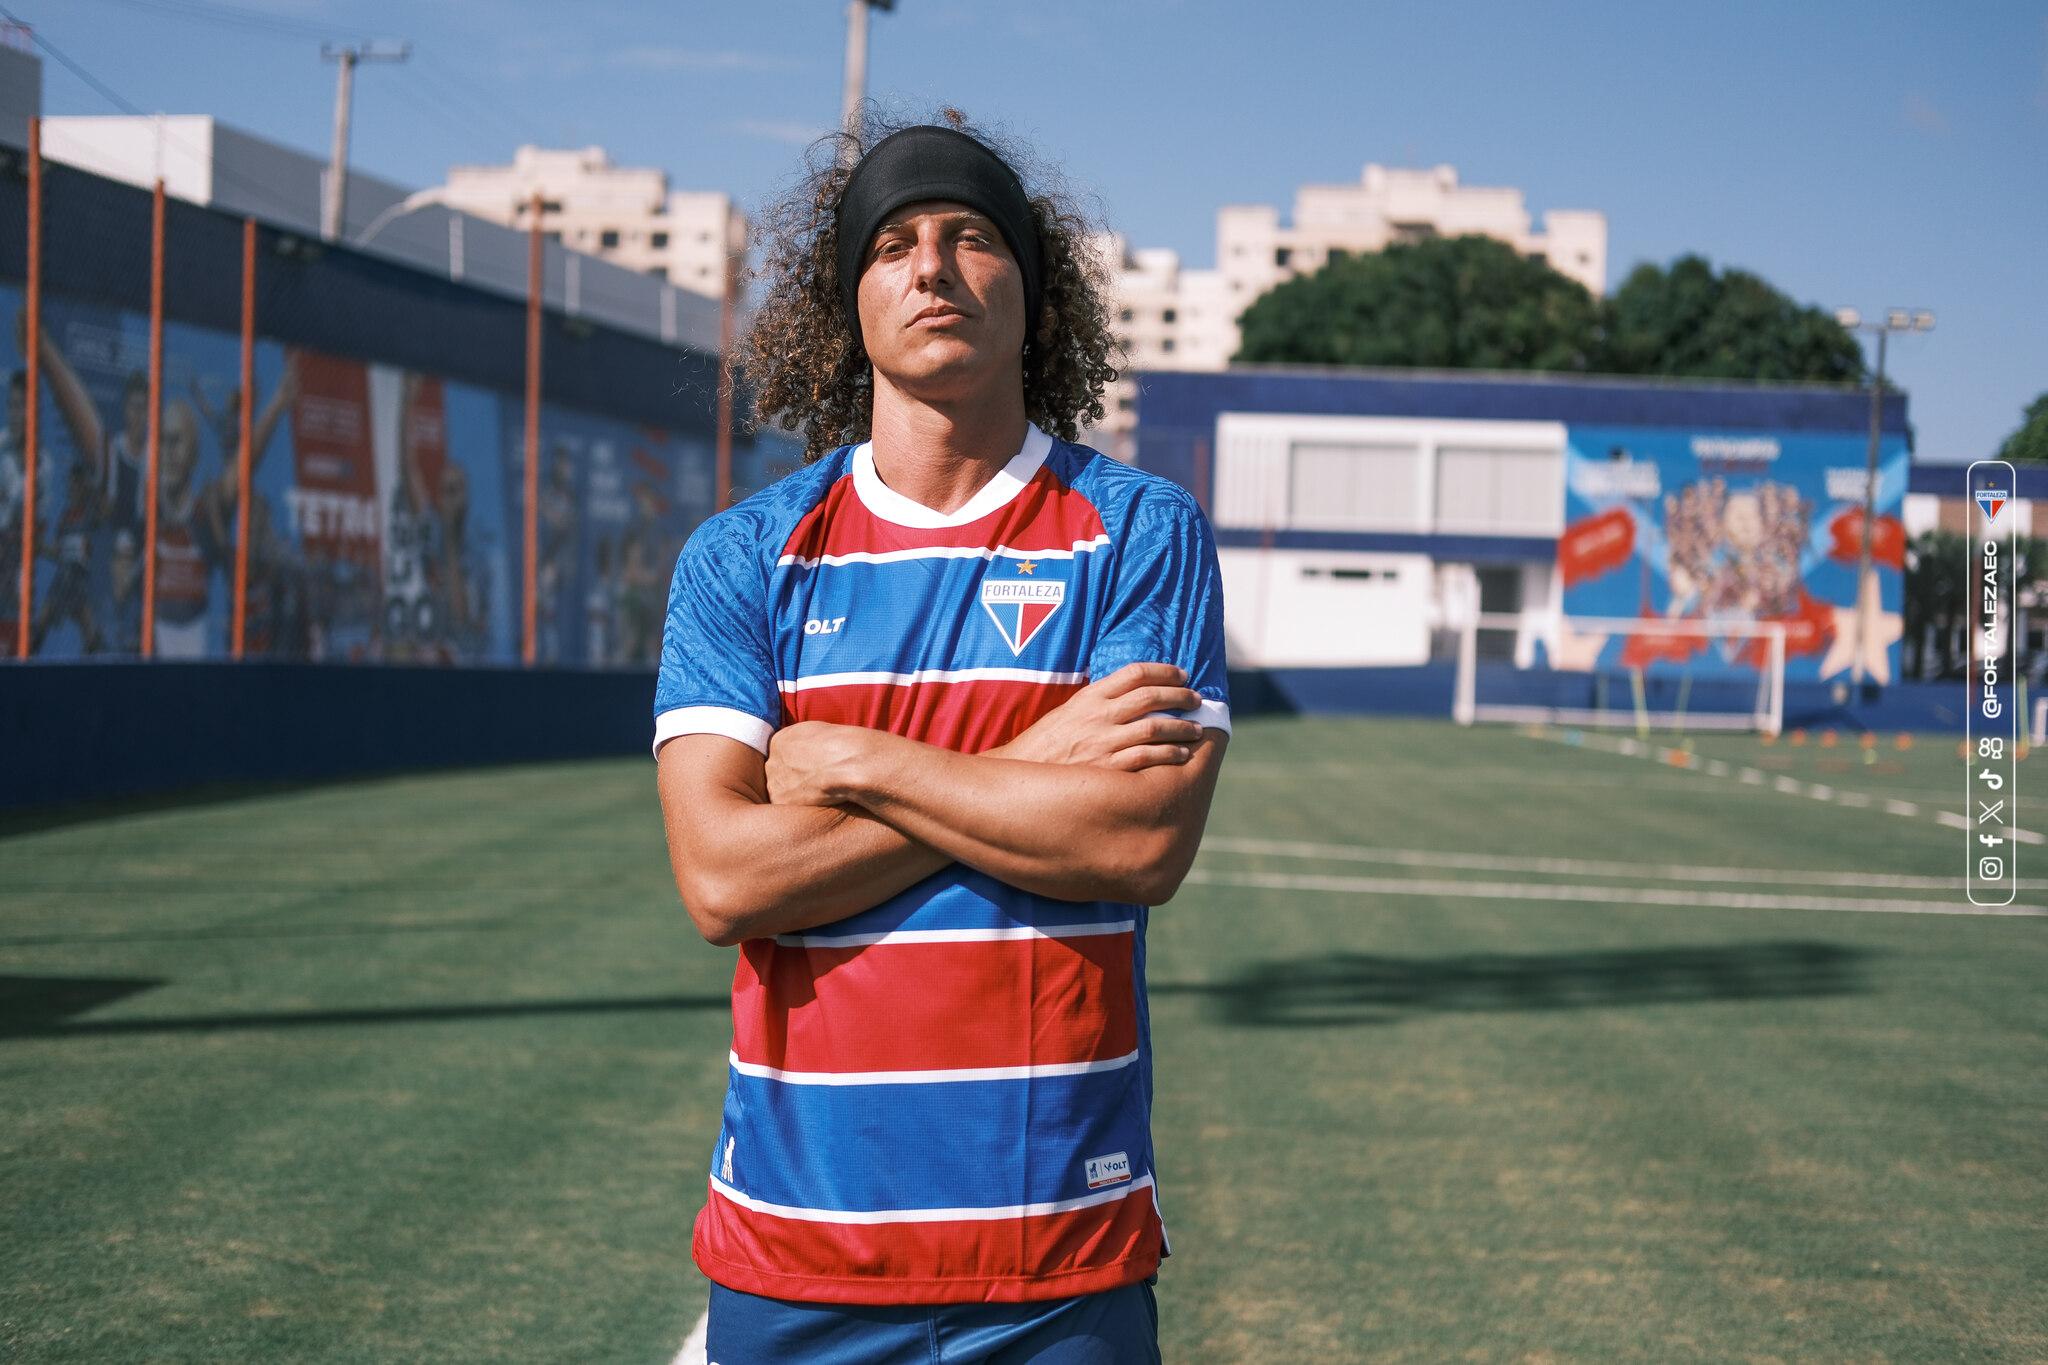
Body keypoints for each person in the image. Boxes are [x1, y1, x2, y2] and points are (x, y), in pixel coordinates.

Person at [653, 111, 1230, 1363]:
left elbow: (1138, 845)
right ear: (846, 305)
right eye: (891, 244)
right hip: (797, 1248)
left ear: (1034, 295)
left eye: (971, 237)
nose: (930, 268)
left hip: (1058, 1258)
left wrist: (856, 763)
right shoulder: (744, 555)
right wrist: (1035, 766)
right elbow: (723, 880)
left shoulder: (1138, 531)